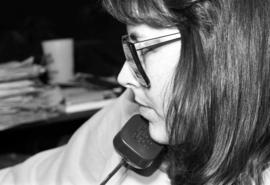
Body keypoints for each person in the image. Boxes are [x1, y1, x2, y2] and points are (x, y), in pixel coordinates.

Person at [0, 0, 269, 184]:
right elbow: (37, 177)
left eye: (146, 50)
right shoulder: (132, 112)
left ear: (223, 50)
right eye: (130, 50)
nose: (123, 77)